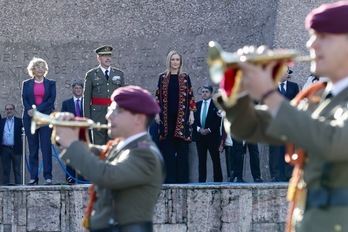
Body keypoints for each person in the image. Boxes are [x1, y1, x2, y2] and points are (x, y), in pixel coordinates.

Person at [215, 1, 348, 231]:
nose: (311, 45)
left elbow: (334, 142)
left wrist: (268, 93)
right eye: (312, 36)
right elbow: (248, 128)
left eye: (323, 37)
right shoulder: (319, 98)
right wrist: (240, 90)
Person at [54, 85, 165, 232]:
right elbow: (94, 154)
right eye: (110, 110)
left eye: (116, 111)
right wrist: (70, 134)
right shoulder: (122, 146)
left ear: (138, 119)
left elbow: (107, 175)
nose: (108, 116)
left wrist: (73, 143)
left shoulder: (146, 154)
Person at [155, 50, 196, 183]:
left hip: (182, 117)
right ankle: (170, 179)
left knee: (183, 147)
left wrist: (191, 113)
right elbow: (157, 96)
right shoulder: (162, 78)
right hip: (166, 118)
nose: (175, 62)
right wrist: (156, 113)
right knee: (168, 148)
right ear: (169, 61)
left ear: (180, 62)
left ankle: (183, 180)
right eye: (173, 59)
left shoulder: (185, 77)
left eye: (177, 60)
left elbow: (190, 96)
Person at [22, 57, 56, 185]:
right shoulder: (26, 84)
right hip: (30, 118)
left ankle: (48, 176)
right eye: (37, 67)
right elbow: (24, 99)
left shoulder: (51, 83)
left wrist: (36, 110)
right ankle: (33, 177)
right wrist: (29, 109)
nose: (40, 70)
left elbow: (51, 100)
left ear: (45, 70)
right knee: (33, 148)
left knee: (46, 147)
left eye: (42, 67)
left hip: (45, 117)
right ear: (33, 70)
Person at [83, 45, 125, 145]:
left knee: (114, 145)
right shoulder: (92, 74)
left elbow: (123, 97)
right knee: (98, 146)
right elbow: (86, 98)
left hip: (115, 115)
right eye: (104, 56)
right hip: (97, 115)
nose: (108, 58)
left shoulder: (119, 74)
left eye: (109, 55)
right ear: (98, 58)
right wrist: (87, 119)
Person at [269, 67, 299, 182]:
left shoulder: (294, 86)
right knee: (275, 150)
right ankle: (276, 175)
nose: (284, 73)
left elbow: (298, 102)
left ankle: (288, 175)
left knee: (289, 148)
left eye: (286, 71)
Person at [193, 84, 222, 182]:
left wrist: (209, 129)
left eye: (206, 92)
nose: (204, 94)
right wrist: (198, 129)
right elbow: (192, 120)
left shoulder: (216, 105)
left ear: (211, 93)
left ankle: (218, 181)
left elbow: (218, 121)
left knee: (215, 159)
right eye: (203, 92)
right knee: (201, 160)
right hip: (200, 137)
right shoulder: (196, 105)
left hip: (212, 137)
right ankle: (201, 181)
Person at [61, 80, 87, 184]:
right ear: (73, 90)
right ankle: (70, 178)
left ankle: (82, 179)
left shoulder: (86, 102)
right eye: (76, 88)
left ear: (82, 90)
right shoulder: (66, 103)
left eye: (80, 88)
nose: (78, 90)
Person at [0, 104, 23, 185]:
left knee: (17, 170)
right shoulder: (1, 121)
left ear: (13, 110)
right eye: (7, 109)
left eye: (10, 109)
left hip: (15, 148)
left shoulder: (19, 121)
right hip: (4, 149)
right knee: (6, 171)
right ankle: (6, 189)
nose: (9, 111)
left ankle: (18, 188)